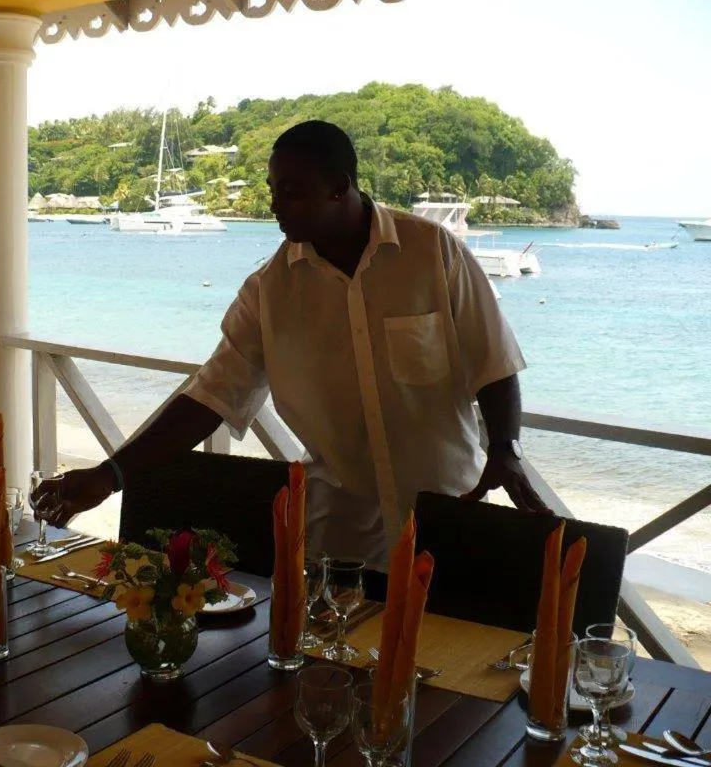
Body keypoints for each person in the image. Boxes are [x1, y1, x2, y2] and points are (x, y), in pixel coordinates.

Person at [35, 120, 551, 584]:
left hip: (448, 519)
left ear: (340, 188)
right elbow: (209, 399)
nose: (276, 206)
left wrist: (505, 448)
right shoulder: (268, 292)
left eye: (292, 192)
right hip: (339, 541)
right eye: (272, 191)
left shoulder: (433, 253)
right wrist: (110, 476)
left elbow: (494, 361)